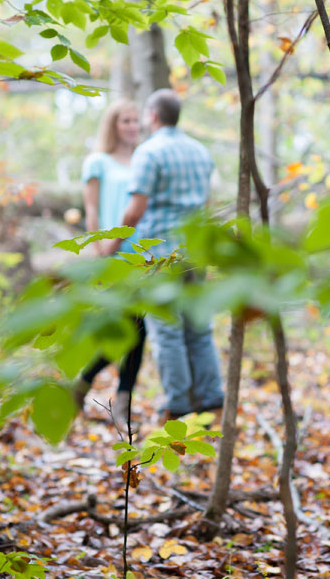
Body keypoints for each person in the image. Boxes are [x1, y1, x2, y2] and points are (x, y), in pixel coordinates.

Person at [105, 89, 224, 420]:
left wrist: (110, 248)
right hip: (195, 253)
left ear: (154, 116)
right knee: (199, 328)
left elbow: (134, 211)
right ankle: (212, 395)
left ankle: (179, 403)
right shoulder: (200, 151)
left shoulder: (148, 152)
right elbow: (207, 206)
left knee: (167, 332)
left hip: (160, 257)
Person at [73, 99, 147, 427]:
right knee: (126, 327)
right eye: (126, 121)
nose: (132, 126)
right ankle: (87, 381)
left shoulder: (145, 160)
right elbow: (91, 209)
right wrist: (99, 251)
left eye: (136, 121)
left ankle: (115, 396)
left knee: (139, 329)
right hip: (111, 254)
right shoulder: (98, 162)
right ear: (113, 125)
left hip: (145, 254)